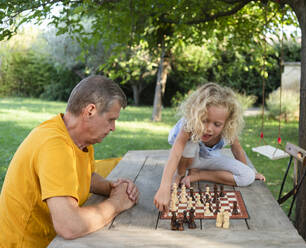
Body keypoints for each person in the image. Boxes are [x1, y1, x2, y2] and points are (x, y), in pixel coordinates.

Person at [0, 75, 139, 247]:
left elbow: (83, 175)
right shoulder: (55, 145)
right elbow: (69, 225)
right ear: (90, 111)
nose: (113, 128)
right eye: (111, 119)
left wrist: (110, 187)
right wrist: (116, 204)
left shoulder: (79, 139)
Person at [154, 83, 265, 212]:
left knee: (248, 176)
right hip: (185, 160)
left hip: (208, 160)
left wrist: (250, 171)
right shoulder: (189, 123)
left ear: (226, 123)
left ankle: (198, 175)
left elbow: (237, 149)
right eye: (204, 120)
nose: (209, 129)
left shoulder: (228, 128)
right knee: (189, 143)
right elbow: (176, 152)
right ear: (196, 115)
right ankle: (180, 174)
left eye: (217, 124)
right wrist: (164, 186)